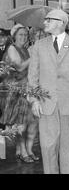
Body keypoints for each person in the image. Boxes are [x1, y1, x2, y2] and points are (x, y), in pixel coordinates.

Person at [28, 9, 69, 174]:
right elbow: (32, 78)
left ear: (61, 22)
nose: (45, 22)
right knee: (48, 147)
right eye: (45, 20)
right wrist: (34, 100)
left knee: (68, 147)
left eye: (49, 19)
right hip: (46, 104)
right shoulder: (38, 46)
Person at [0, 24, 39, 163]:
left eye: (25, 35)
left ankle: (28, 149)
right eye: (20, 34)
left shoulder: (27, 50)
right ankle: (23, 152)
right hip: (14, 92)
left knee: (33, 122)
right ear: (14, 36)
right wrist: (34, 55)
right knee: (21, 123)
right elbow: (20, 66)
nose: (23, 37)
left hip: (27, 89)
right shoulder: (12, 49)